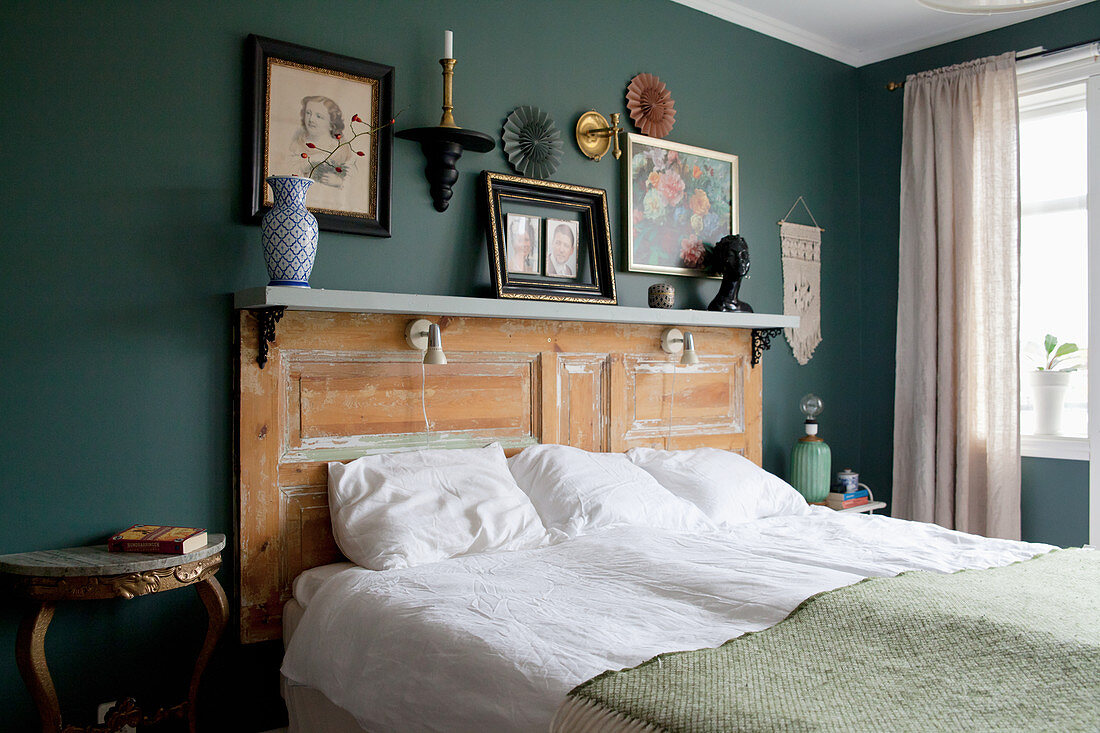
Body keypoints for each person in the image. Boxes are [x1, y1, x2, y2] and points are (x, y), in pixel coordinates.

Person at [289, 95, 354, 189]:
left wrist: (339, 181)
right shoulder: (296, 144)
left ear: (331, 123)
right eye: (308, 113)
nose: (311, 119)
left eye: (319, 116)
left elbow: (352, 183)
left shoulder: (341, 150)